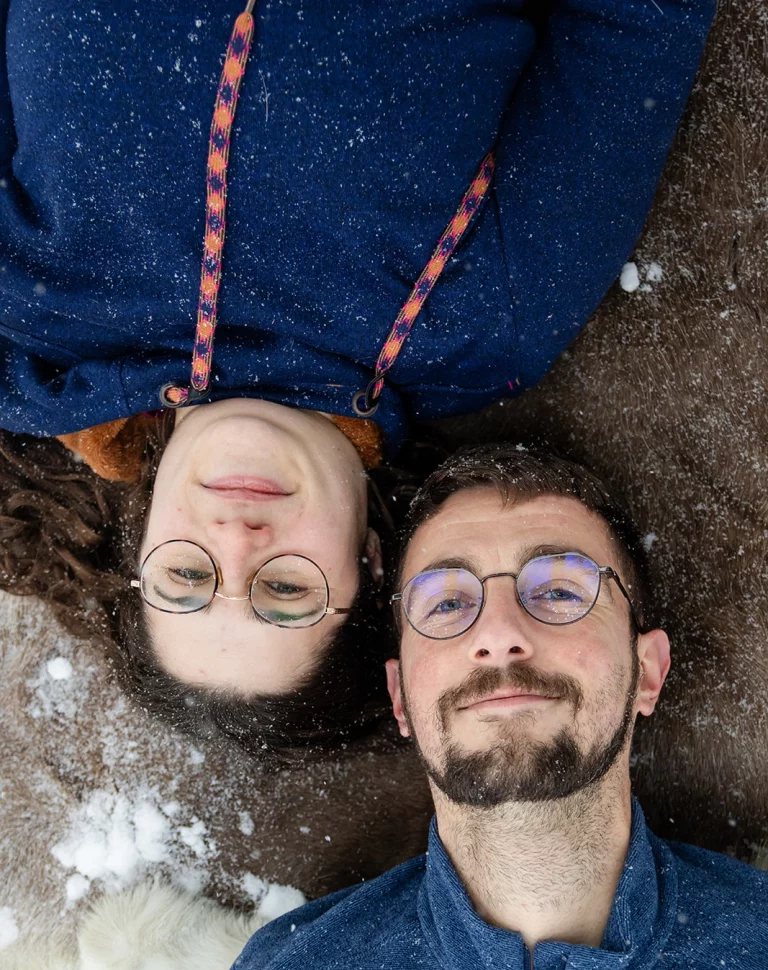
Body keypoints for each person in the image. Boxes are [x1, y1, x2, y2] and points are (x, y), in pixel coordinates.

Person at [0, 0, 717, 748]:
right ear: (372, 564)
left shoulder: (35, 310)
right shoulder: (492, 320)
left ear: (141, 537)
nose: (237, 542)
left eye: (186, 579)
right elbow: (637, 22)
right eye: (286, 590)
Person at [161, 444, 768, 970]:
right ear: (401, 697)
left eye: (561, 591)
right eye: (448, 602)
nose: (502, 634)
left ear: (648, 671)